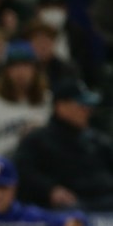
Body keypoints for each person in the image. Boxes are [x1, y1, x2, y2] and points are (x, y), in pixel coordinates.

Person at [14, 79, 113, 210]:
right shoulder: (38, 140)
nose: (88, 111)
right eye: (81, 105)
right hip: (63, 211)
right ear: (61, 106)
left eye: (89, 106)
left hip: (104, 201)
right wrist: (50, 189)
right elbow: (22, 171)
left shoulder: (96, 140)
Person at [0, 40, 51, 159]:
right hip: (2, 168)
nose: (20, 72)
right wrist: (19, 140)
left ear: (36, 70)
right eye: (14, 66)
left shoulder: (47, 100)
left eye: (26, 66)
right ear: (5, 72)